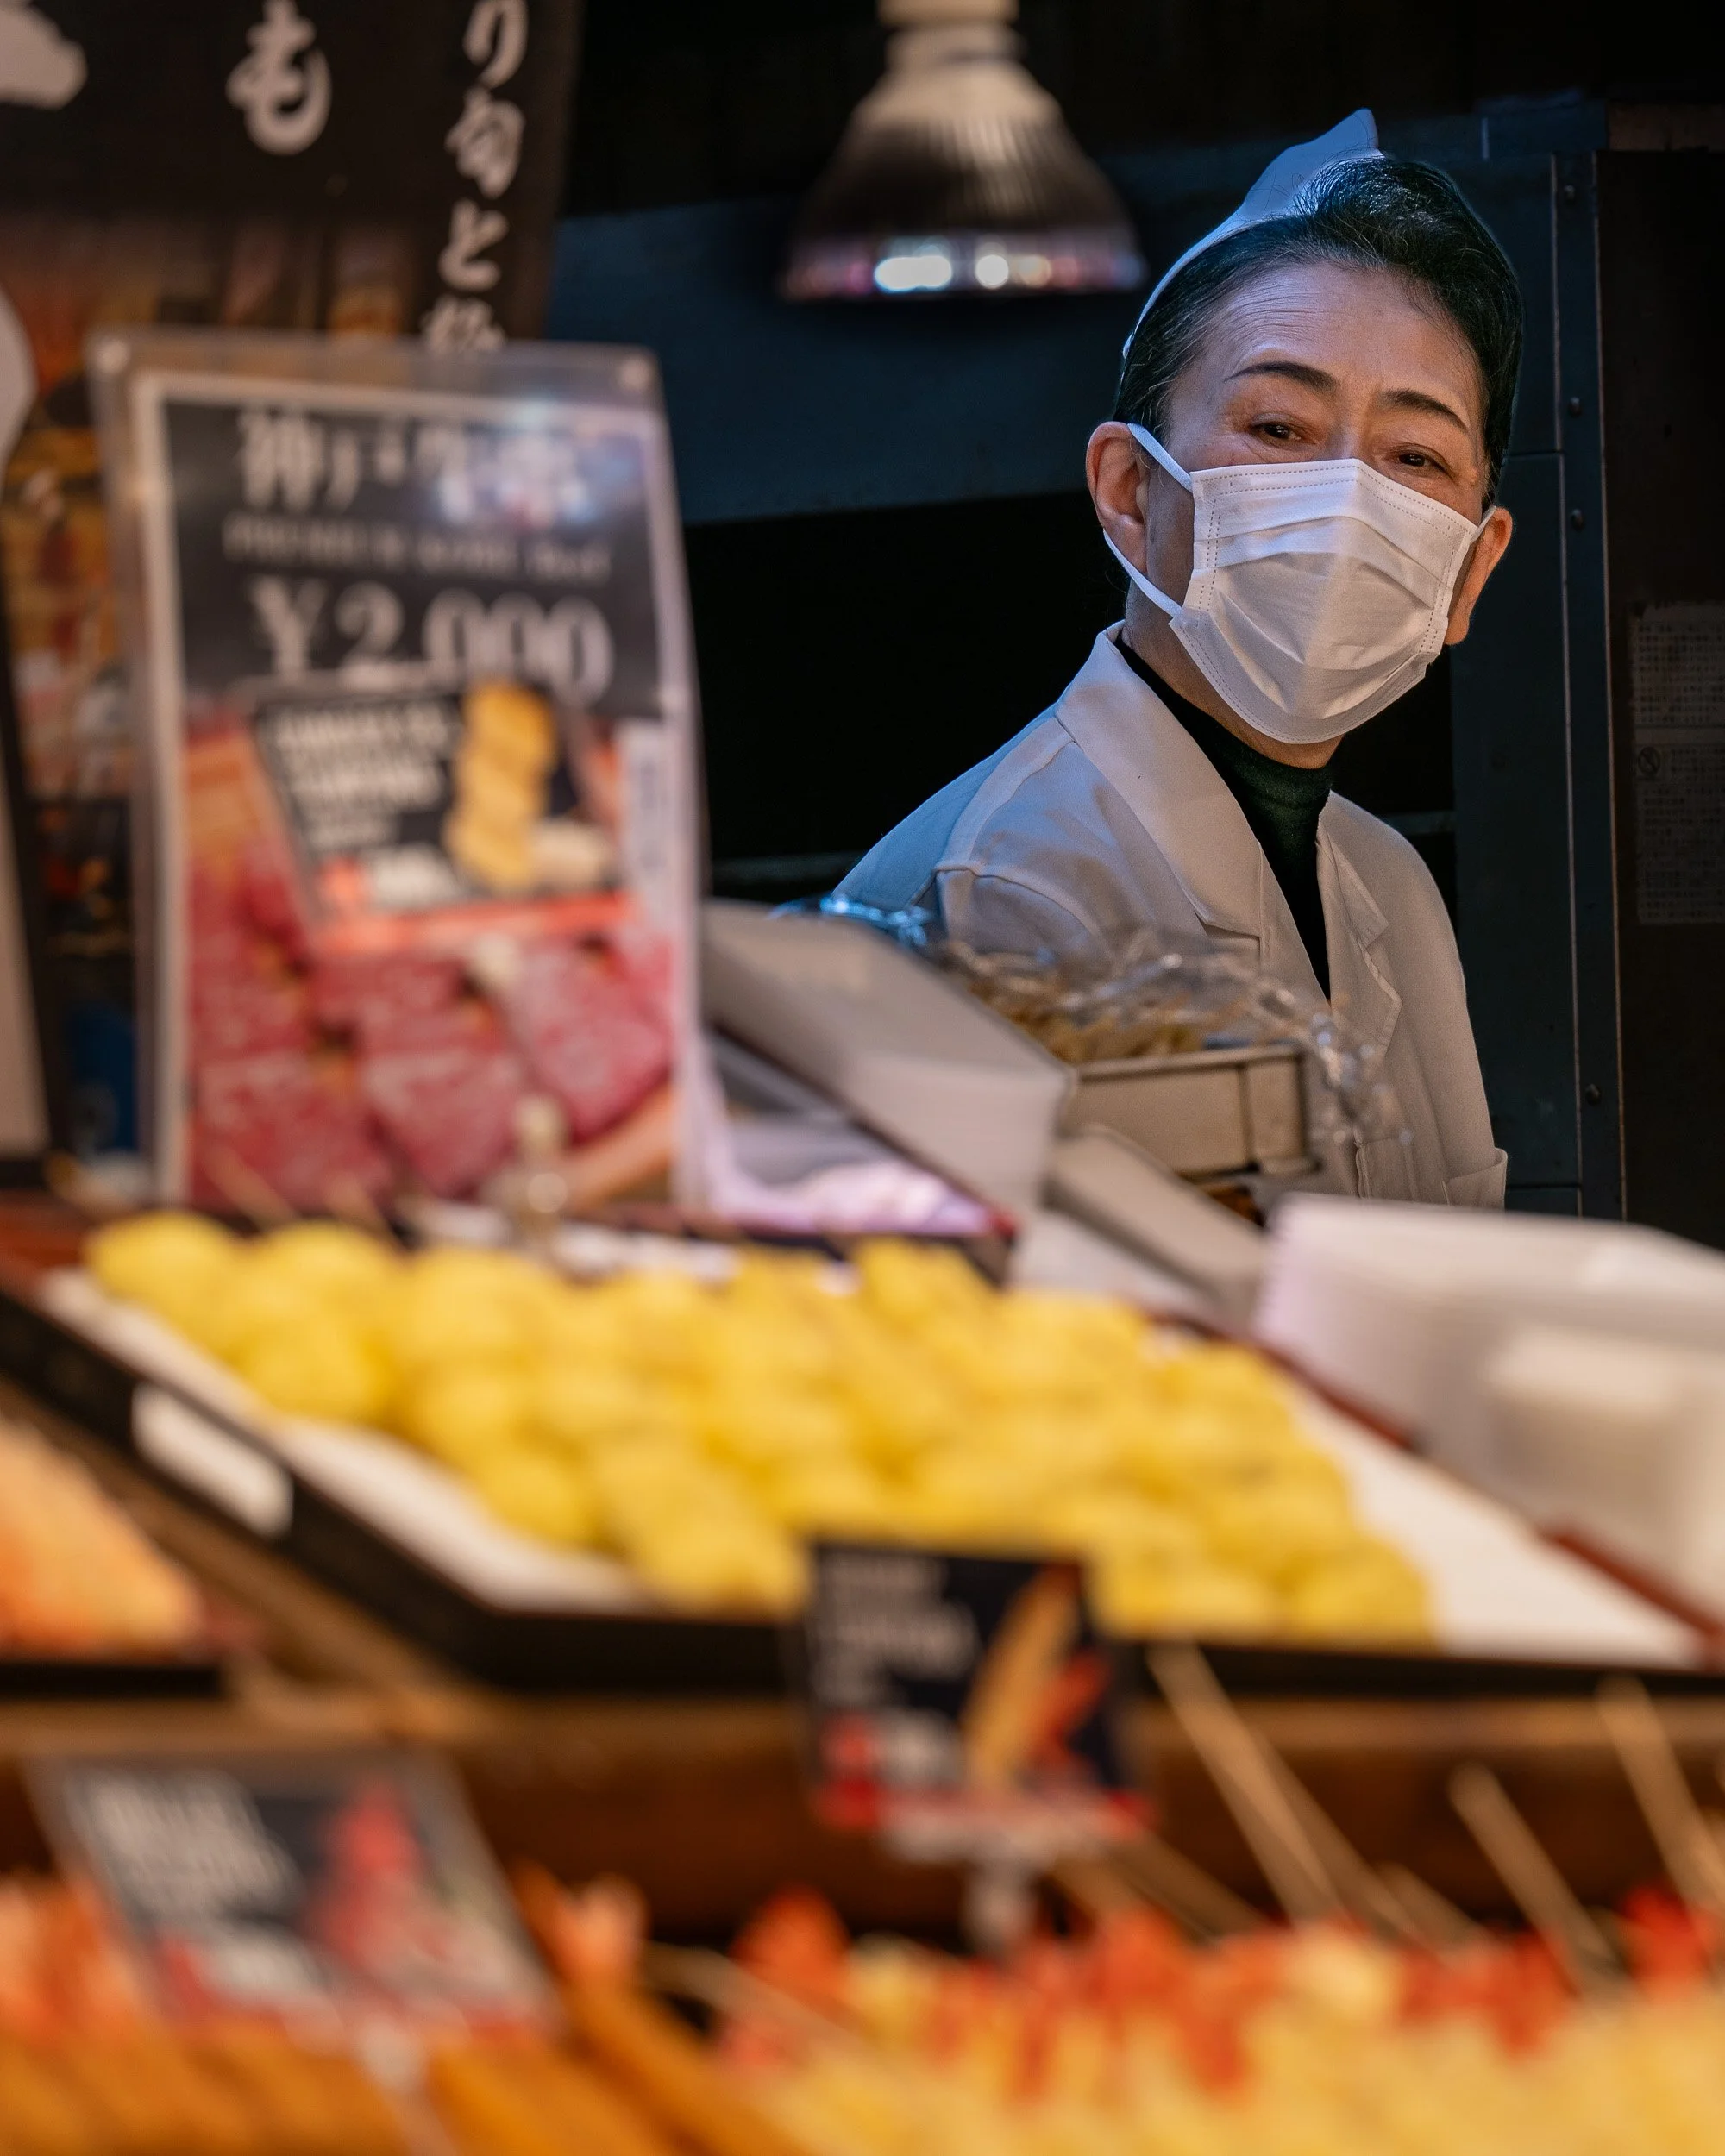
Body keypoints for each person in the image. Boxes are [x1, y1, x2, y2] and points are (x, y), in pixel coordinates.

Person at [837, 113, 1518, 1206]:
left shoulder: (1389, 883)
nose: (1346, 500)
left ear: (1467, 571)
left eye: (1414, 455)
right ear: (1129, 491)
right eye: (1278, 428)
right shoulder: (993, 894)